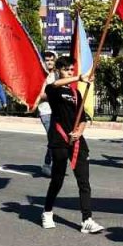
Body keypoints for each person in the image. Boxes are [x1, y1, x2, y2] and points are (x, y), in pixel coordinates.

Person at [40, 56, 105, 234]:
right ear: (58, 71)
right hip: (59, 139)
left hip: (77, 141)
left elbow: (82, 118)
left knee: (84, 181)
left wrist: (79, 132)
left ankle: (87, 220)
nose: (70, 72)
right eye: (66, 69)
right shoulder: (53, 89)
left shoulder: (76, 93)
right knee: (58, 179)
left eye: (71, 70)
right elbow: (54, 85)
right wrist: (79, 78)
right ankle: (47, 212)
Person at [35, 51, 56, 176]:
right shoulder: (40, 76)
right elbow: (39, 95)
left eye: (51, 60)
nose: (49, 62)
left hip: (58, 111)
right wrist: (55, 95)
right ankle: (48, 165)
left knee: (56, 139)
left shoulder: (58, 75)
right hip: (46, 112)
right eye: (47, 60)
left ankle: (52, 164)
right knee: (53, 138)